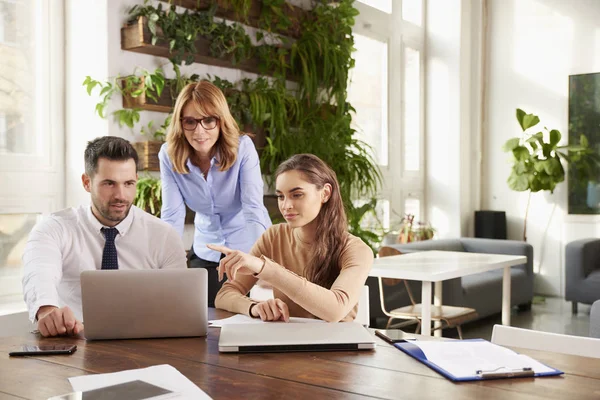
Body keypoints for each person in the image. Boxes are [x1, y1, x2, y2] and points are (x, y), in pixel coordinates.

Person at [22, 136, 187, 337]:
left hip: (144, 342)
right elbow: (39, 273)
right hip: (74, 341)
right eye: (109, 183)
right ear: (86, 182)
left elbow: (178, 304)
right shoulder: (54, 228)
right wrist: (46, 309)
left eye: (128, 183)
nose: (121, 195)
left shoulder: (163, 236)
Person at [211, 154, 373, 322]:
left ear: (325, 193)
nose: (286, 206)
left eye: (297, 195)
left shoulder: (355, 249)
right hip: (287, 341)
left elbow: (335, 310)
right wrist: (253, 307)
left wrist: (265, 268)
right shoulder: (274, 237)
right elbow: (224, 295)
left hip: (337, 345)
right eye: (281, 196)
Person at [159, 81, 271, 307]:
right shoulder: (169, 155)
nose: (199, 131)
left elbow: (253, 208)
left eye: (208, 120)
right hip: (205, 250)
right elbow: (172, 215)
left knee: (245, 317)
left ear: (220, 120)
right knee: (203, 318)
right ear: (181, 124)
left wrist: (262, 264)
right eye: (190, 121)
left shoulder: (243, 148)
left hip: (246, 246)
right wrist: (163, 267)